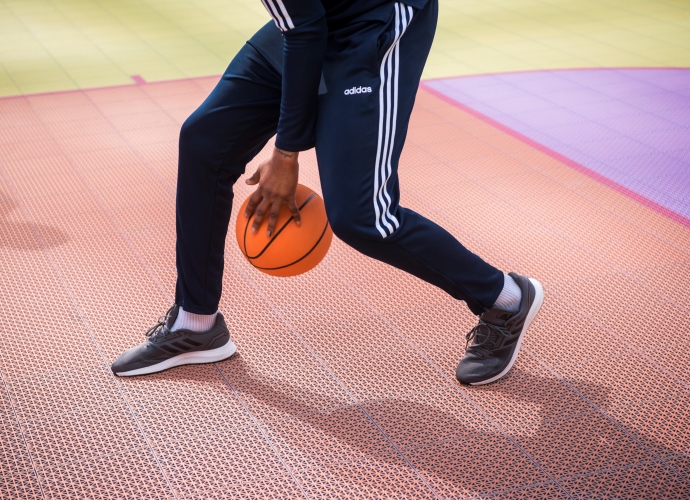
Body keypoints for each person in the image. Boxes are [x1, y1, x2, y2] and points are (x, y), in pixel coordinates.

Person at [111, 0, 544, 386]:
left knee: (364, 217)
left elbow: (306, 30)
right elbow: (303, 23)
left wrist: (287, 151)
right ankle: (195, 322)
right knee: (206, 140)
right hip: (316, 17)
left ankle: (504, 298)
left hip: (375, 20)